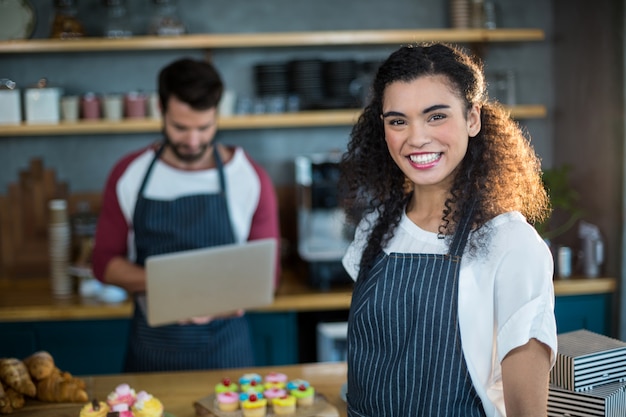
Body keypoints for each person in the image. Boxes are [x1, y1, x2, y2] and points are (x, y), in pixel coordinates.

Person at [339, 43, 557, 417]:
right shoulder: (376, 228)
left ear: (473, 118)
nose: (417, 137)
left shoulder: (510, 244)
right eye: (397, 120)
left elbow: (527, 410)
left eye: (436, 116)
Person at [92, 57, 281, 372]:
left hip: (227, 351)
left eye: (204, 127)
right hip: (151, 349)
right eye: (180, 127)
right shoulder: (130, 174)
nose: (193, 141)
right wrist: (177, 285)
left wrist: (203, 297)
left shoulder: (249, 177)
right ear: (161, 110)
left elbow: (267, 276)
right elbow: (103, 263)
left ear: (217, 115)